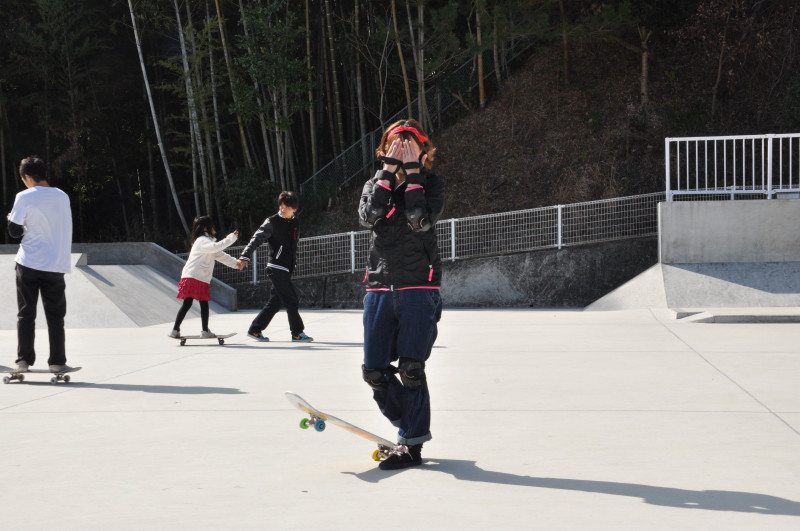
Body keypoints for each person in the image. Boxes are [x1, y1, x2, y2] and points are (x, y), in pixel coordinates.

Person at [358, 119, 445, 470]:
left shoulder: (432, 184)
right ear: (383, 151)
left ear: (425, 153)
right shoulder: (372, 184)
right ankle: (407, 423)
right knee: (374, 372)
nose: (405, 149)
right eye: (398, 144)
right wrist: (388, 174)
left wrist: (411, 175)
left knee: (411, 370)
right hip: (379, 284)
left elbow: (419, 220)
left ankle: (411, 444)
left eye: (412, 145)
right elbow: (368, 217)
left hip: (418, 286)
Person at [7, 156, 73, 373]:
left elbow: (14, 231)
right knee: (55, 315)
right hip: (55, 264)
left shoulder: (24, 196)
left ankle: (23, 361)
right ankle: (57, 361)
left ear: (27, 177)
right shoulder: (62, 196)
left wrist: (14, 221)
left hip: (29, 263)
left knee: (26, 313)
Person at [238, 191, 313, 342]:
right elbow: (256, 238)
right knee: (291, 300)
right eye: (281, 206)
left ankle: (255, 329)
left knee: (275, 302)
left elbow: (293, 246)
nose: (282, 209)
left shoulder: (295, 223)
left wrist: (293, 263)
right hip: (276, 267)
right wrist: (245, 255)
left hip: (286, 268)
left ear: (294, 209)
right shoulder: (272, 221)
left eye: (286, 207)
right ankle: (297, 333)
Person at [169, 216, 242, 338]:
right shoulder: (202, 241)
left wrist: (236, 263)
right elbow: (216, 247)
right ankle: (203, 331)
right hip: (194, 276)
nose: (214, 228)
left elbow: (221, 255)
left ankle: (176, 330)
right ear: (205, 228)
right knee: (196, 303)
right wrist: (231, 238)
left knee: (191, 303)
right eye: (211, 225)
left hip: (196, 276)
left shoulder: (208, 242)